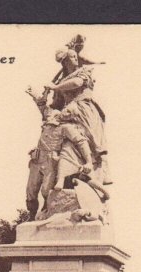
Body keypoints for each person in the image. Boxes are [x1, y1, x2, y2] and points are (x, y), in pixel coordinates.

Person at [44, 47, 111, 186]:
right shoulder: (62, 81)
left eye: (76, 56)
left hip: (84, 110)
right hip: (68, 113)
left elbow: (77, 83)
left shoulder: (84, 71)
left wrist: (56, 87)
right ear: (65, 62)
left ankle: (101, 172)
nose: (76, 59)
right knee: (64, 141)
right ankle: (64, 176)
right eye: (72, 57)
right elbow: (56, 104)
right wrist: (43, 101)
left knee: (94, 141)